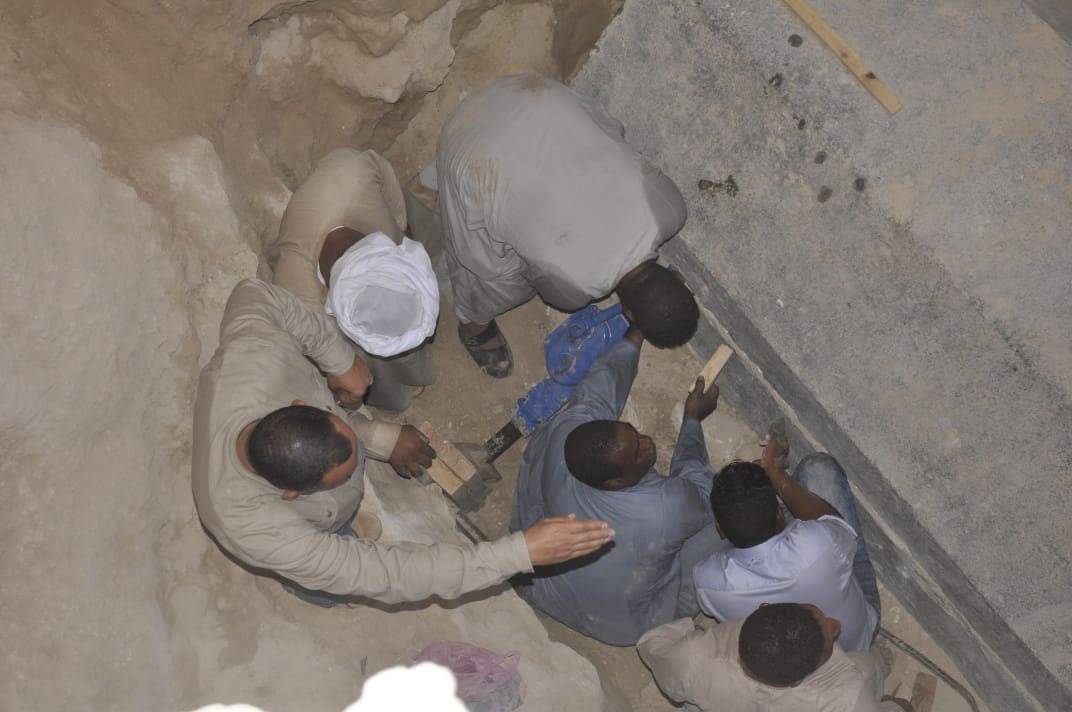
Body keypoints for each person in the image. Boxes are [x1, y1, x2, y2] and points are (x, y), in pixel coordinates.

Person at [191, 279, 614, 606]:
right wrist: (517, 554)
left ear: (302, 404)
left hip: (303, 444)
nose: (357, 465)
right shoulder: (262, 531)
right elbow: (393, 574)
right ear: (291, 493)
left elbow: (254, 293)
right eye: (341, 475)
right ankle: (322, 579)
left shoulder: (252, 359)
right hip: (310, 537)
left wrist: (339, 362)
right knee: (331, 582)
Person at [428, 73, 697, 378]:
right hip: (468, 152)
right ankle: (471, 322)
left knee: (609, 135)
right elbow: (530, 271)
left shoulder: (671, 211)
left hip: (528, 92)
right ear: (629, 313)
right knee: (497, 278)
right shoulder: (573, 290)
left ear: (678, 275)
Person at [509, 325, 722, 645]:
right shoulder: (663, 508)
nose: (648, 443)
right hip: (624, 626)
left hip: (544, 589)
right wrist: (692, 420)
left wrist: (637, 332)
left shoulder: (570, 432)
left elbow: (600, 388)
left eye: (633, 432)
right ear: (615, 481)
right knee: (731, 508)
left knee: (550, 436)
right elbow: (700, 488)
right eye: (638, 452)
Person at [268, 147, 437, 413]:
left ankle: (413, 373)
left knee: (401, 329)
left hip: (361, 202)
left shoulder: (354, 174)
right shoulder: (299, 299)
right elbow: (330, 363)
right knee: (367, 367)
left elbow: (387, 181)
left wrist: (403, 227)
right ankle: (394, 396)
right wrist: (348, 391)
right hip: (327, 317)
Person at [692, 432, 880, 652]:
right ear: (780, 515)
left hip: (796, 664)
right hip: (856, 643)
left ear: (719, 530)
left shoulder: (708, 582)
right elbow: (834, 524)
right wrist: (774, 470)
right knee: (818, 469)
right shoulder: (818, 543)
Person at [638, 603, 915, 711]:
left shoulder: (690, 660)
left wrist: (692, 631)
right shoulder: (849, 698)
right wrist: (899, 706)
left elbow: (652, 644)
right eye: (830, 637)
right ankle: (882, 664)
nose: (835, 625)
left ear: (762, 607)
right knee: (868, 665)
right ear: (798, 681)